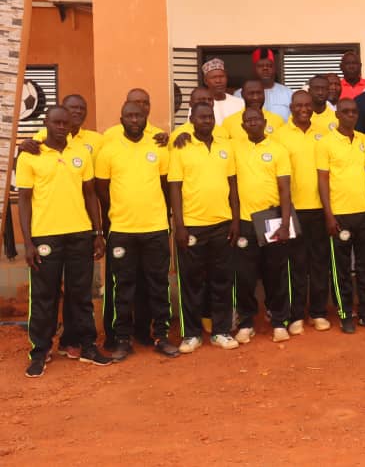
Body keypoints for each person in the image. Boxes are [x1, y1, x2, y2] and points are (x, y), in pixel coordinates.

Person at [17, 106, 111, 377]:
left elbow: (90, 194)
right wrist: (28, 242)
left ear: (72, 126)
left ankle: (88, 346)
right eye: (56, 122)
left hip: (80, 234)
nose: (61, 127)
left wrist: (97, 233)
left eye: (65, 123)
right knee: (44, 296)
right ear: (45, 123)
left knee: (81, 294)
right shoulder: (31, 154)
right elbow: (24, 200)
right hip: (45, 236)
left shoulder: (81, 153)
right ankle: (40, 351)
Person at [95, 102, 178, 359]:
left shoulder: (158, 147)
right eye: (129, 116)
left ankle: (161, 336)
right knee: (123, 286)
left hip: (156, 228)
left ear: (146, 118)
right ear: (121, 119)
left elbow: (166, 186)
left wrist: (162, 215)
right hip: (122, 229)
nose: (134, 120)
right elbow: (101, 189)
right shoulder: (108, 150)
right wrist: (120, 208)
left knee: (158, 284)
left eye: (138, 116)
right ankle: (122, 339)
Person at [168, 102, 241, 352]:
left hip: (222, 224)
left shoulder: (225, 146)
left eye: (210, 117)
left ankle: (221, 331)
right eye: (201, 117)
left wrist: (235, 220)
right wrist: (179, 226)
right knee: (191, 282)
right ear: (192, 120)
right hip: (192, 226)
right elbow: (175, 188)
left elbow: (233, 185)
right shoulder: (181, 148)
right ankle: (191, 334)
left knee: (222, 280)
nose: (207, 121)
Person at [316, 98, 365, 333]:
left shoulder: (364, 140)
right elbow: (323, 181)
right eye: (345, 112)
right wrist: (329, 215)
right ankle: (345, 314)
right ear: (337, 115)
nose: (350, 115)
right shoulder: (325, 143)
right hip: (339, 215)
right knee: (341, 269)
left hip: (364, 213)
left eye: (354, 112)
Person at [232, 108, 293, 344]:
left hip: (272, 219)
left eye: (256, 119)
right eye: (248, 121)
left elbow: (285, 189)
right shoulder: (235, 148)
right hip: (245, 221)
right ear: (243, 126)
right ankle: (246, 322)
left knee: (275, 273)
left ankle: (279, 321)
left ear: (265, 122)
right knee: (245, 275)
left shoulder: (278, 149)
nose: (253, 123)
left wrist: (285, 223)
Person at [275, 91, 331, 333]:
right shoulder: (280, 135)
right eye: (299, 105)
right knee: (295, 265)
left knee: (319, 263)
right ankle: (296, 314)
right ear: (291, 107)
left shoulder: (325, 133)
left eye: (308, 105)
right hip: (292, 210)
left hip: (320, 209)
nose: (304, 109)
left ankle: (318, 312)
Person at [232, 47, 293, 122]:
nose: (265, 68)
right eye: (260, 66)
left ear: (275, 68)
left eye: (269, 65)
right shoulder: (239, 94)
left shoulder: (288, 93)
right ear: (253, 69)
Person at [103, 89, 169, 146]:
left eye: (146, 103)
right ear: (126, 104)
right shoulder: (110, 134)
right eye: (136, 102)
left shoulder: (160, 137)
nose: (141, 107)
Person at [200, 57, 244, 124]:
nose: (218, 81)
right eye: (214, 77)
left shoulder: (240, 103)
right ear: (205, 81)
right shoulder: (200, 105)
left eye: (221, 76)